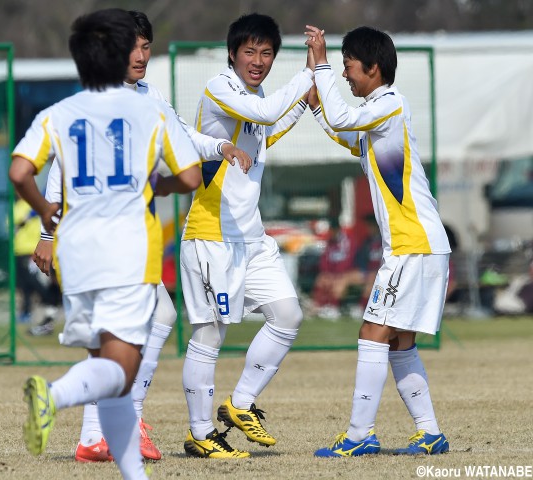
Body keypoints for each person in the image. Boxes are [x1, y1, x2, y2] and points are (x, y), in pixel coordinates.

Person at [31, 10, 252, 462]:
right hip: (105, 238)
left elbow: (183, 134)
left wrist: (219, 146)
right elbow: (60, 167)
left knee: (140, 325)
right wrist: (46, 234)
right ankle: (113, 423)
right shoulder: (97, 99)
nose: (141, 55)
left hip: (125, 239)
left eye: (146, 46)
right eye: (132, 46)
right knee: (149, 321)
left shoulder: (149, 95)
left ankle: (101, 433)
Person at [9, 8, 202, 479]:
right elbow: (191, 175)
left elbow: (20, 171)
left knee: (106, 364)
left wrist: (46, 215)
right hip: (127, 254)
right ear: (119, 57)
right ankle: (51, 396)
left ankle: (121, 462)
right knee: (122, 369)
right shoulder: (148, 110)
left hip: (78, 256)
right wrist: (159, 186)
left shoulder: (58, 113)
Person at [305, 25, 451, 456]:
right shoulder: (378, 110)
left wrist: (322, 64)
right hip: (419, 245)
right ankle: (430, 433)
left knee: (372, 333)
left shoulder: (388, 102)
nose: (346, 77)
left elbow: (344, 117)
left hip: (413, 245)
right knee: (398, 340)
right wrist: (318, 108)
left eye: (350, 67)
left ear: (372, 67)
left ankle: (357, 436)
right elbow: (349, 134)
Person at [180, 13, 314, 458]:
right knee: (209, 336)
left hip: (250, 238)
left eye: (267, 53)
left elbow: (267, 130)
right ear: (233, 53)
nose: (258, 61)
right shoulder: (222, 88)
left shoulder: (254, 98)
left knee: (288, 315)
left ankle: (239, 404)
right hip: (212, 236)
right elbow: (265, 112)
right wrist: (312, 72)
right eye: (250, 51)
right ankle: (201, 435)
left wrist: (306, 99)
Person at [13, 195, 61, 332]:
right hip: (20, 250)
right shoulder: (17, 206)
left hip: (32, 249)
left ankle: (49, 303)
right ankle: (35, 314)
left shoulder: (32, 205)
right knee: (25, 285)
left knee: (38, 282)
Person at [312, 217, 357, 319]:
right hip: (333, 273)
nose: (331, 233)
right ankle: (318, 307)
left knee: (339, 283)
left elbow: (350, 259)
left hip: (346, 273)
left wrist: (338, 274)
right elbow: (325, 259)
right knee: (321, 279)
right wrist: (327, 273)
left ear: (338, 229)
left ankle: (334, 308)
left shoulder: (347, 241)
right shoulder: (330, 242)